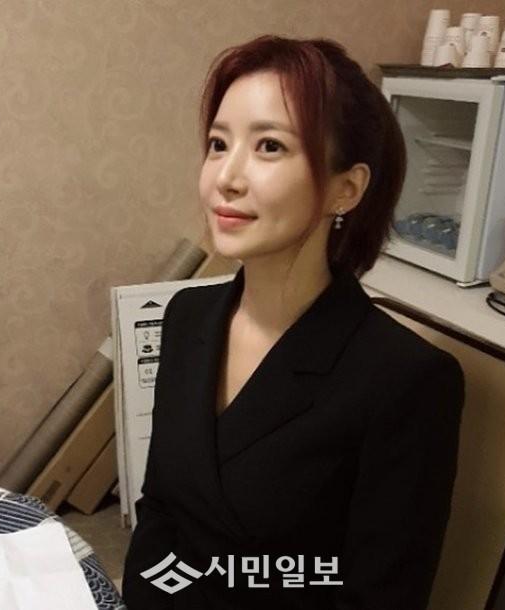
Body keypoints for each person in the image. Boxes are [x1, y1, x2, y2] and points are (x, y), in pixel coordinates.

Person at [122, 35, 465, 610]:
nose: (226, 177)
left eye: (270, 146)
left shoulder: (406, 380)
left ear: (345, 189)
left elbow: (379, 598)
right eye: (218, 144)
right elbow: (159, 509)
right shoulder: (187, 317)